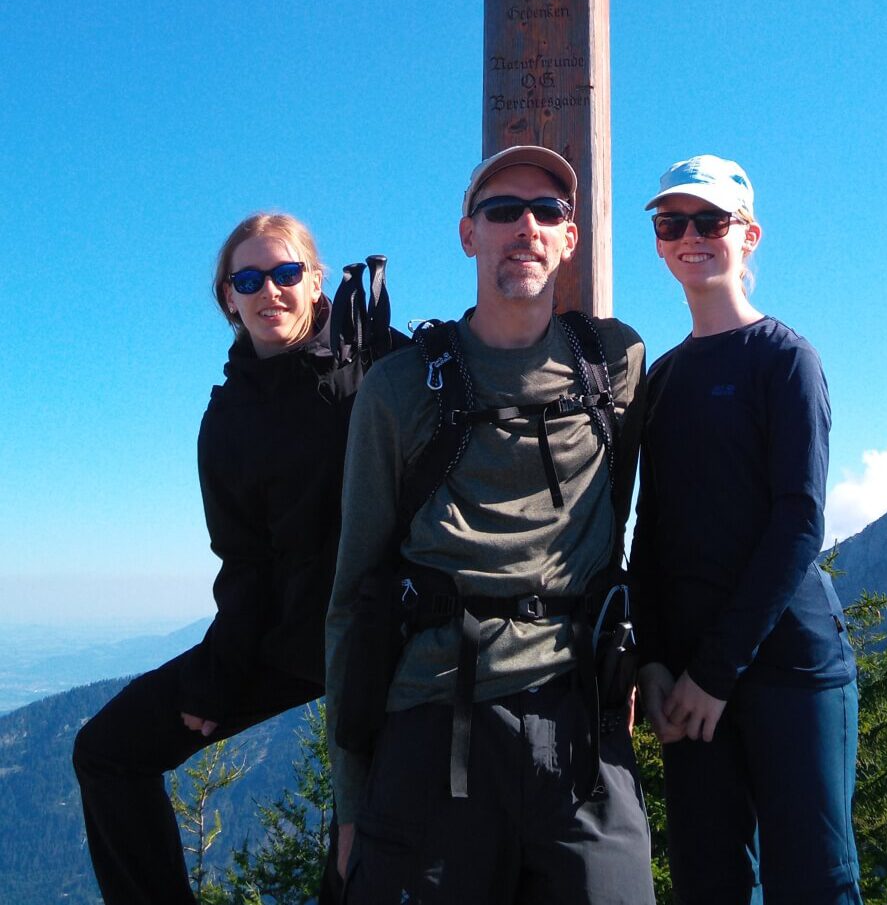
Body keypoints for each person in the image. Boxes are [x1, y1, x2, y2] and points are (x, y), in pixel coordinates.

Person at [326, 145, 654, 905]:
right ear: (468, 233)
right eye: (502, 210)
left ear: (570, 238)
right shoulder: (400, 388)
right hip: (436, 723)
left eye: (548, 212)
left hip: (580, 724)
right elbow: (352, 595)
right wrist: (351, 802)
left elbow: (628, 524)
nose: (526, 227)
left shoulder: (616, 365)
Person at [73, 213, 371, 905]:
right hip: (289, 636)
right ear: (228, 297)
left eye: (286, 272)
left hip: (391, 637)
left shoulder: (380, 364)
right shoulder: (229, 417)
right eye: (249, 278)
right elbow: (244, 560)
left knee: (362, 848)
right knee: (106, 749)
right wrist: (219, 675)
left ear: (315, 281)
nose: (271, 289)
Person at [632, 156, 862, 905]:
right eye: (673, 223)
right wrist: (657, 660)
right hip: (690, 678)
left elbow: (799, 523)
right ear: (661, 241)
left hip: (789, 668)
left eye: (711, 220)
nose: (690, 236)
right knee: (709, 884)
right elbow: (652, 529)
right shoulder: (660, 379)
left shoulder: (786, 361)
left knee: (815, 884)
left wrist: (713, 672)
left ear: (750, 235)